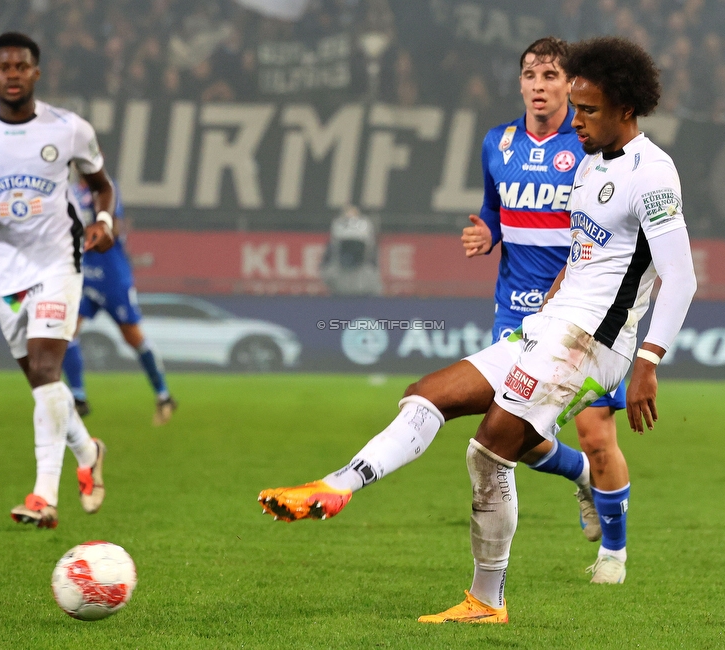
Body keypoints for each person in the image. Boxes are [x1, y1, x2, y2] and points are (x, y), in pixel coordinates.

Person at [257, 39, 608, 541]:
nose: (538, 85)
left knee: (516, 441)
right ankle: (584, 481)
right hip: (515, 316)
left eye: (550, 76)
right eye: (530, 75)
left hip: (577, 327)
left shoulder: (589, 148)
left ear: (570, 85)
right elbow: (494, 209)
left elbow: (611, 237)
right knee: (505, 436)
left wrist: (647, 352)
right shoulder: (499, 143)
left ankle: (592, 544)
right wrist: (489, 232)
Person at [419, 36, 697, 624]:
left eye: (587, 108)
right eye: (573, 106)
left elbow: (682, 277)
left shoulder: (652, 172)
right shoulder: (571, 155)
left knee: (583, 442)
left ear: (625, 107)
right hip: (545, 321)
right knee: (492, 433)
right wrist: (525, 263)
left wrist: (649, 360)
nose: (576, 119)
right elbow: (580, 238)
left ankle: (610, 553)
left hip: (599, 340)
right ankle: (492, 592)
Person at [0, 32, 115, 529]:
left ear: (36, 73)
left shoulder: (69, 128)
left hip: (59, 260)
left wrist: (105, 221)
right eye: (4, 67)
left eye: (22, 66)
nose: (13, 74)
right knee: (41, 381)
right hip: (6, 268)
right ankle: (89, 450)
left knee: (44, 366)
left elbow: (101, 185)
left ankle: (43, 496)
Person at [62, 174, 177, 425]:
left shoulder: (106, 188)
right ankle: (78, 397)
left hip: (112, 274)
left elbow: (114, 227)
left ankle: (164, 395)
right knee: (67, 330)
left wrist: (96, 220)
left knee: (132, 336)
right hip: (82, 271)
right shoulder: (68, 190)